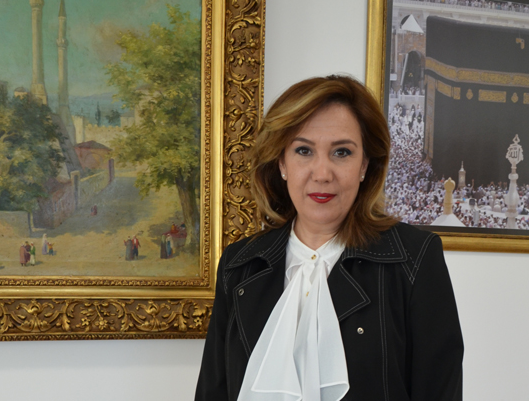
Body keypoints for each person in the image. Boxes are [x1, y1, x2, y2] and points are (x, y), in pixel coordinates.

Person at [196, 75, 463, 400]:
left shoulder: (414, 259)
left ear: (365, 165)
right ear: (281, 162)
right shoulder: (239, 265)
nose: (322, 174)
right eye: (304, 150)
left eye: (342, 152)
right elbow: (213, 392)